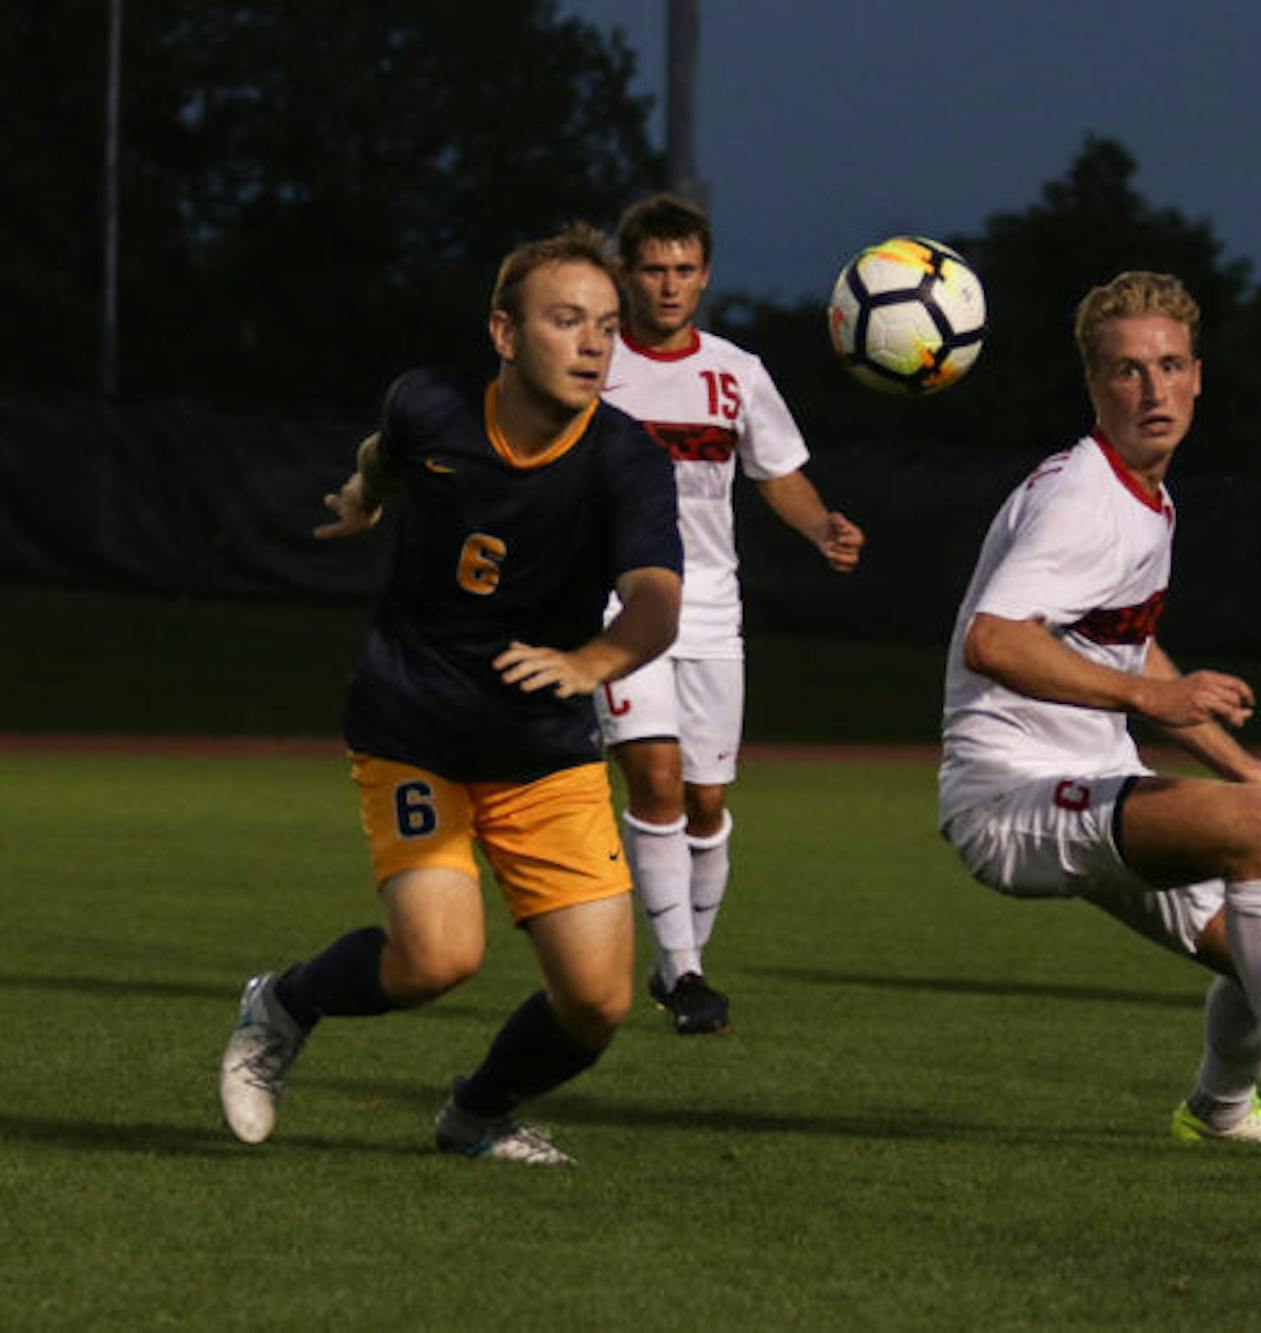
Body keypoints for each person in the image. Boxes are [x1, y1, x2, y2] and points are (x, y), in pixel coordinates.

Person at [939, 270, 1261, 1146]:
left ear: (1198, 375)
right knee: (1260, 837)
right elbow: (992, 640)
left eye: (1170, 366)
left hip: (1094, 780)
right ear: (1094, 385)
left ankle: (1217, 1111)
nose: (1154, 389)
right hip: (1008, 796)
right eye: (1128, 371)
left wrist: (1246, 765)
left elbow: (1125, 652)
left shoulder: (1147, 497)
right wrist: (1149, 695)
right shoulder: (1083, 500)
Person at [218, 224, 685, 1165]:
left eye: (606, 326)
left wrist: (592, 663)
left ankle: (475, 1113)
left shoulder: (625, 460)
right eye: (566, 321)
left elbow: (656, 601)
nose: (594, 343)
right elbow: (388, 448)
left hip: (542, 744)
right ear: (506, 335)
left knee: (597, 1002)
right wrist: (366, 493)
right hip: (413, 723)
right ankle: (283, 1003)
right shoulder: (431, 404)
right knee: (436, 959)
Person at [595, 193, 864, 1036]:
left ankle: (684, 965)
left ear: (705, 275)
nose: (670, 285)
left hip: (711, 607)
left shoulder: (736, 371)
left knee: (707, 802)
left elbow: (775, 469)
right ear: (625, 274)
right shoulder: (594, 364)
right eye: (653, 269)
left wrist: (821, 523)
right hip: (617, 601)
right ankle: (683, 973)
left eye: (684, 270)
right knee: (656, 781)